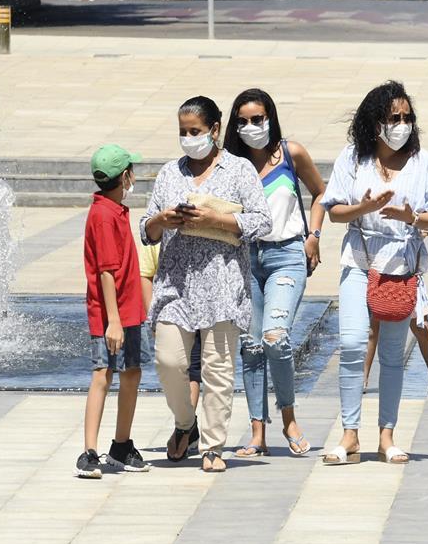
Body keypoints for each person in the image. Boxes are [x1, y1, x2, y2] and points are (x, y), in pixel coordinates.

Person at [320, 80, 428, 465]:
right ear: (376, 121)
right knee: (352, 342)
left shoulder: (421, 160)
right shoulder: (352, 158)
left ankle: (387, 436)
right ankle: (349, 435)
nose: (402, 124)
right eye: (394, 117)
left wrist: (412, 217)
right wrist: (363, 208)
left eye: (408, 117)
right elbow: (334, 211)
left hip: (400, 264)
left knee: (393, 353)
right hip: (359, 260)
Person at [140, 96, 272, 473]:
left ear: (215, 130)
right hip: (175, 284)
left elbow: (263, 222)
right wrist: (163, 219)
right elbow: (146, 228)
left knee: (217, 369)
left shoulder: (239, 170)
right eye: (182, 132)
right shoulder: (170, 172)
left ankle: (213, 445)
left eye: (195, 131)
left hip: (223, 283)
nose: (188, 138)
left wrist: (217, 219)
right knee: (168, 360)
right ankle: (186, 424)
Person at [223, 88, 327, 458]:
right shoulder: (230, 163)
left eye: (258, 119)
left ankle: (288, 418)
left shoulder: (291, 153)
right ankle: (256, 432)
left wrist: (313, 236)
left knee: (275, 338)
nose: (251, 127)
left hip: (287, 255)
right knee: (250, 346)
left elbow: (320, 194)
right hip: (244, 259)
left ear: (270, 118)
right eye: (243, 121)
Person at [75, 144, 151, 478]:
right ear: (125, 176)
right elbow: (106, 271)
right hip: (111, 314)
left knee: (131, 371)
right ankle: (89, 452)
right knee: (103, 374)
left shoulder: (114, 209)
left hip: (129, 310)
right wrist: (114, 321)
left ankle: (121, 444)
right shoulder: (104, 215)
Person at [362, 219, 428, 390]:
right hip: (382, 269)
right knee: (374, 326)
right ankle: (362, 378)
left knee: (422, 326)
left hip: (409, 274)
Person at [138, 242, 203, 411]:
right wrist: (152, 319)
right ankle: (185, 423)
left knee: (193, 370)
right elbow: (145, 274)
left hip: (198, 309)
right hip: (166, 312)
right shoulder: (157, 228)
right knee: (169, 365)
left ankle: (185, 428)